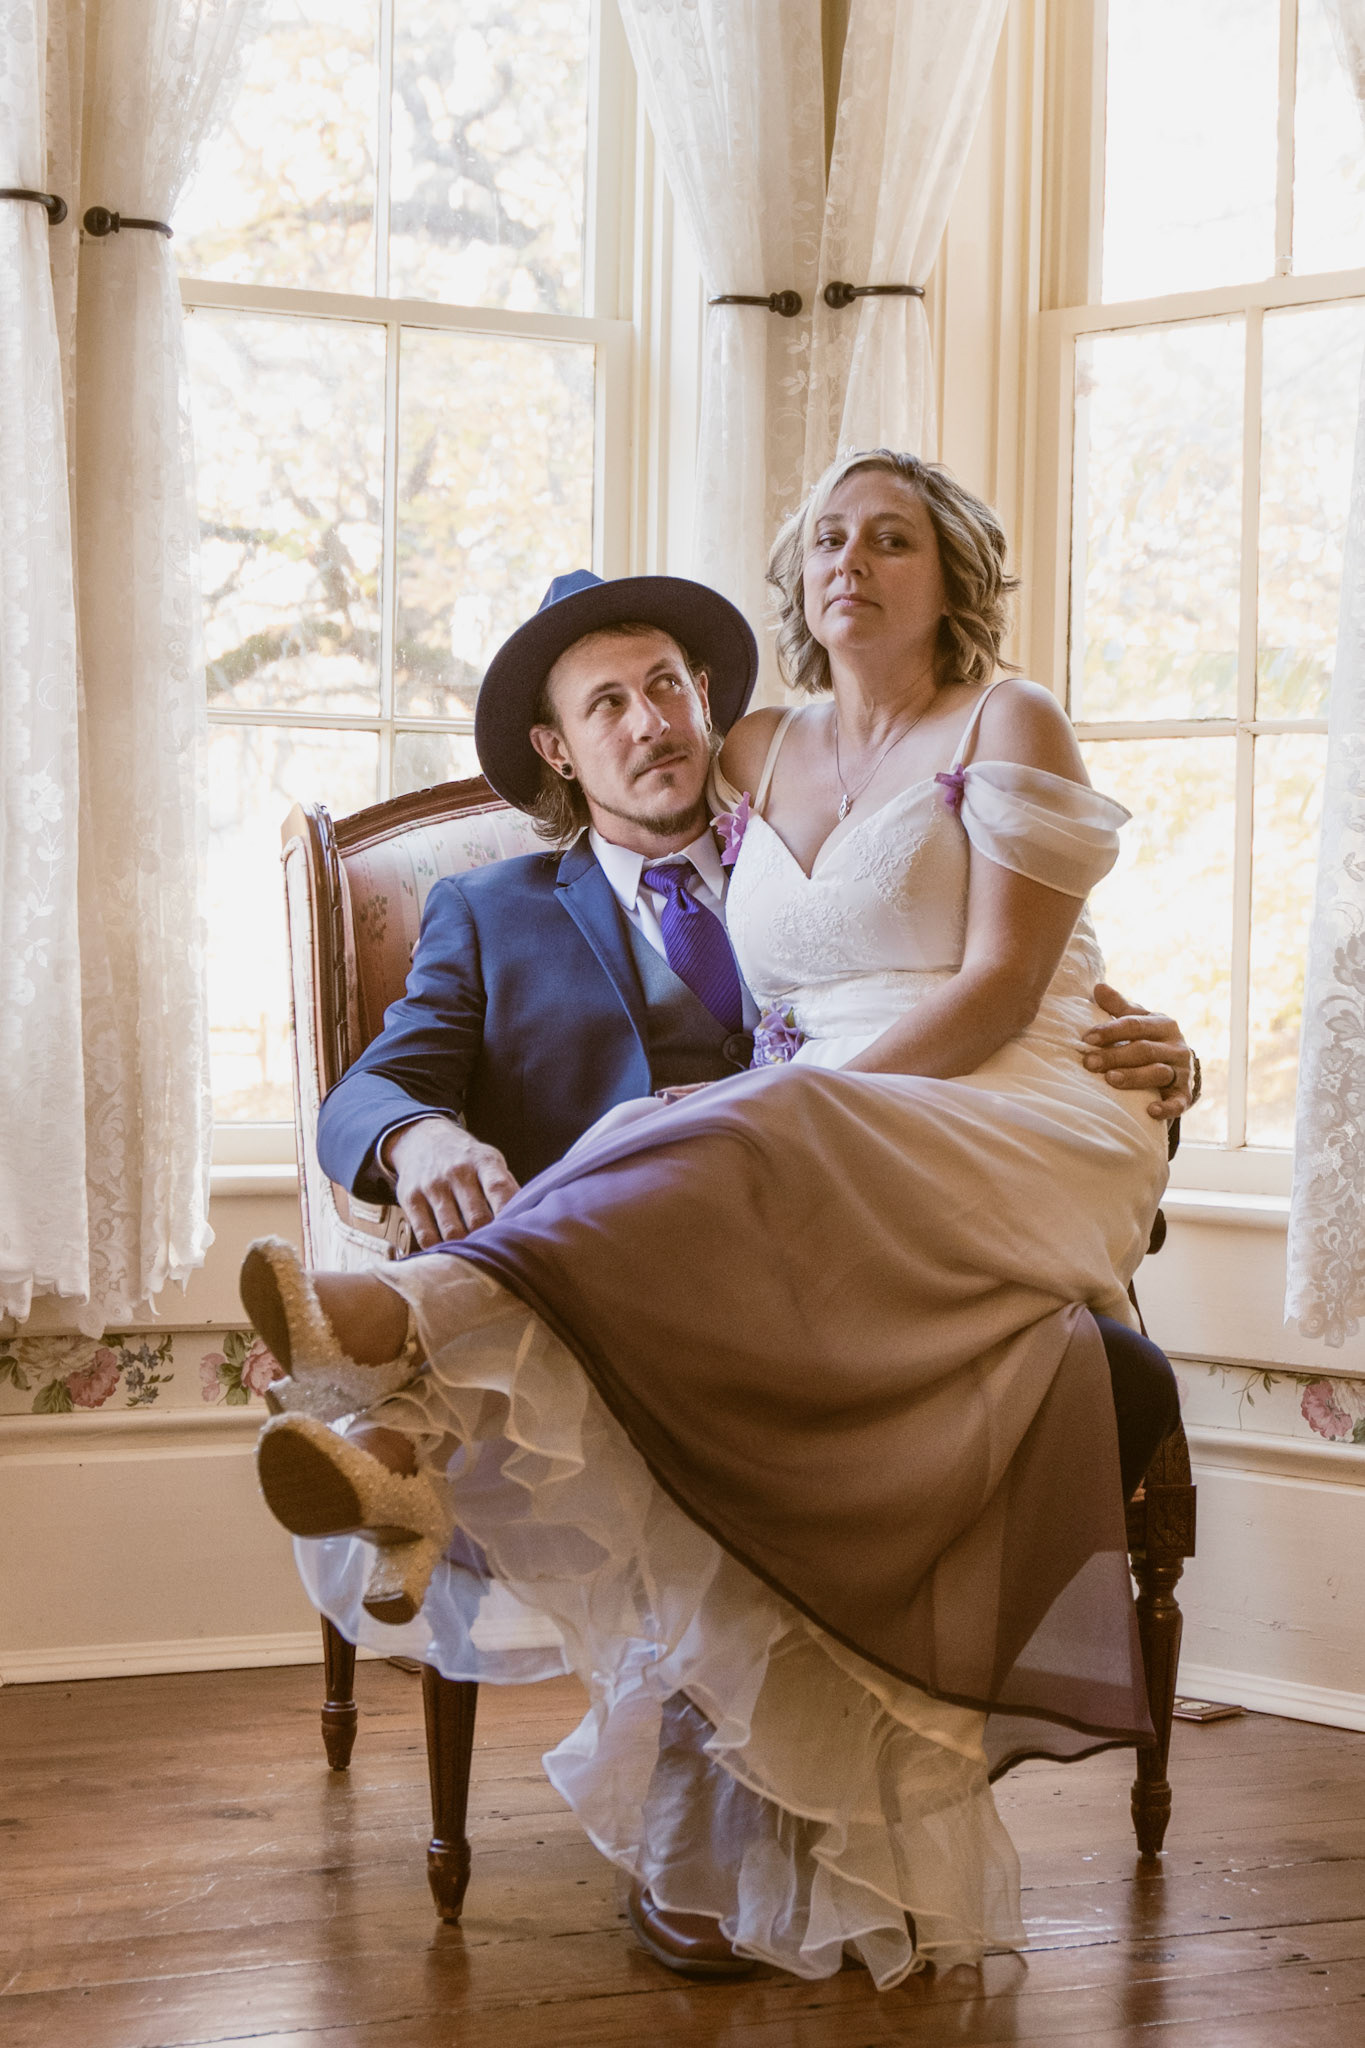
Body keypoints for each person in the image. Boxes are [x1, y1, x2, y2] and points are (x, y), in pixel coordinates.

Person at [248, 453, 1193, 1988]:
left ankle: (403, 1404)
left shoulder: (790, 789)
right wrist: (418, 1136)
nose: (651, 722)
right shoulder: (490, 911)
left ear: (707, 700)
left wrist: (1167, 1053)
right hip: (673, 1276)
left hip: (880, 1193)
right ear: (557, 750)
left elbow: (1006, 966)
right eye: (606, 705)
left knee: (998, 1324)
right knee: (671, 1180)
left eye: (668, 686)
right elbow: (374, 1087)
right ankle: (707, 1795)